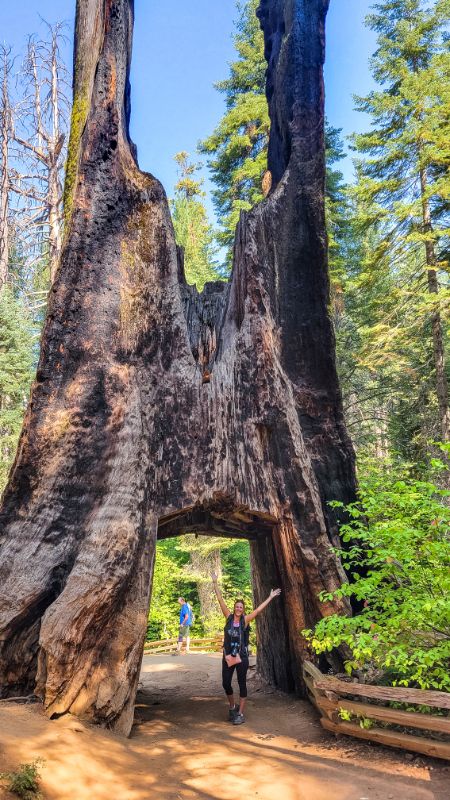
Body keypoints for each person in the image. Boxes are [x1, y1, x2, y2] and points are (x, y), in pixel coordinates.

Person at [211, 572, 281, 725]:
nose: (238, 609)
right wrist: (215, 583)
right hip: (228, 656)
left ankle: (240, 714)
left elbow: (258, 610)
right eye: (236, 606)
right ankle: (232, 707)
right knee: (226, 683)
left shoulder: (245, 620)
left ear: (243, 609)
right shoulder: (228, 617)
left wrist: (270, 597)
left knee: (242, 683)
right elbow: (220, 600)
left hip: (241, 656)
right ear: (234, 608)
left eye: (241, 607)